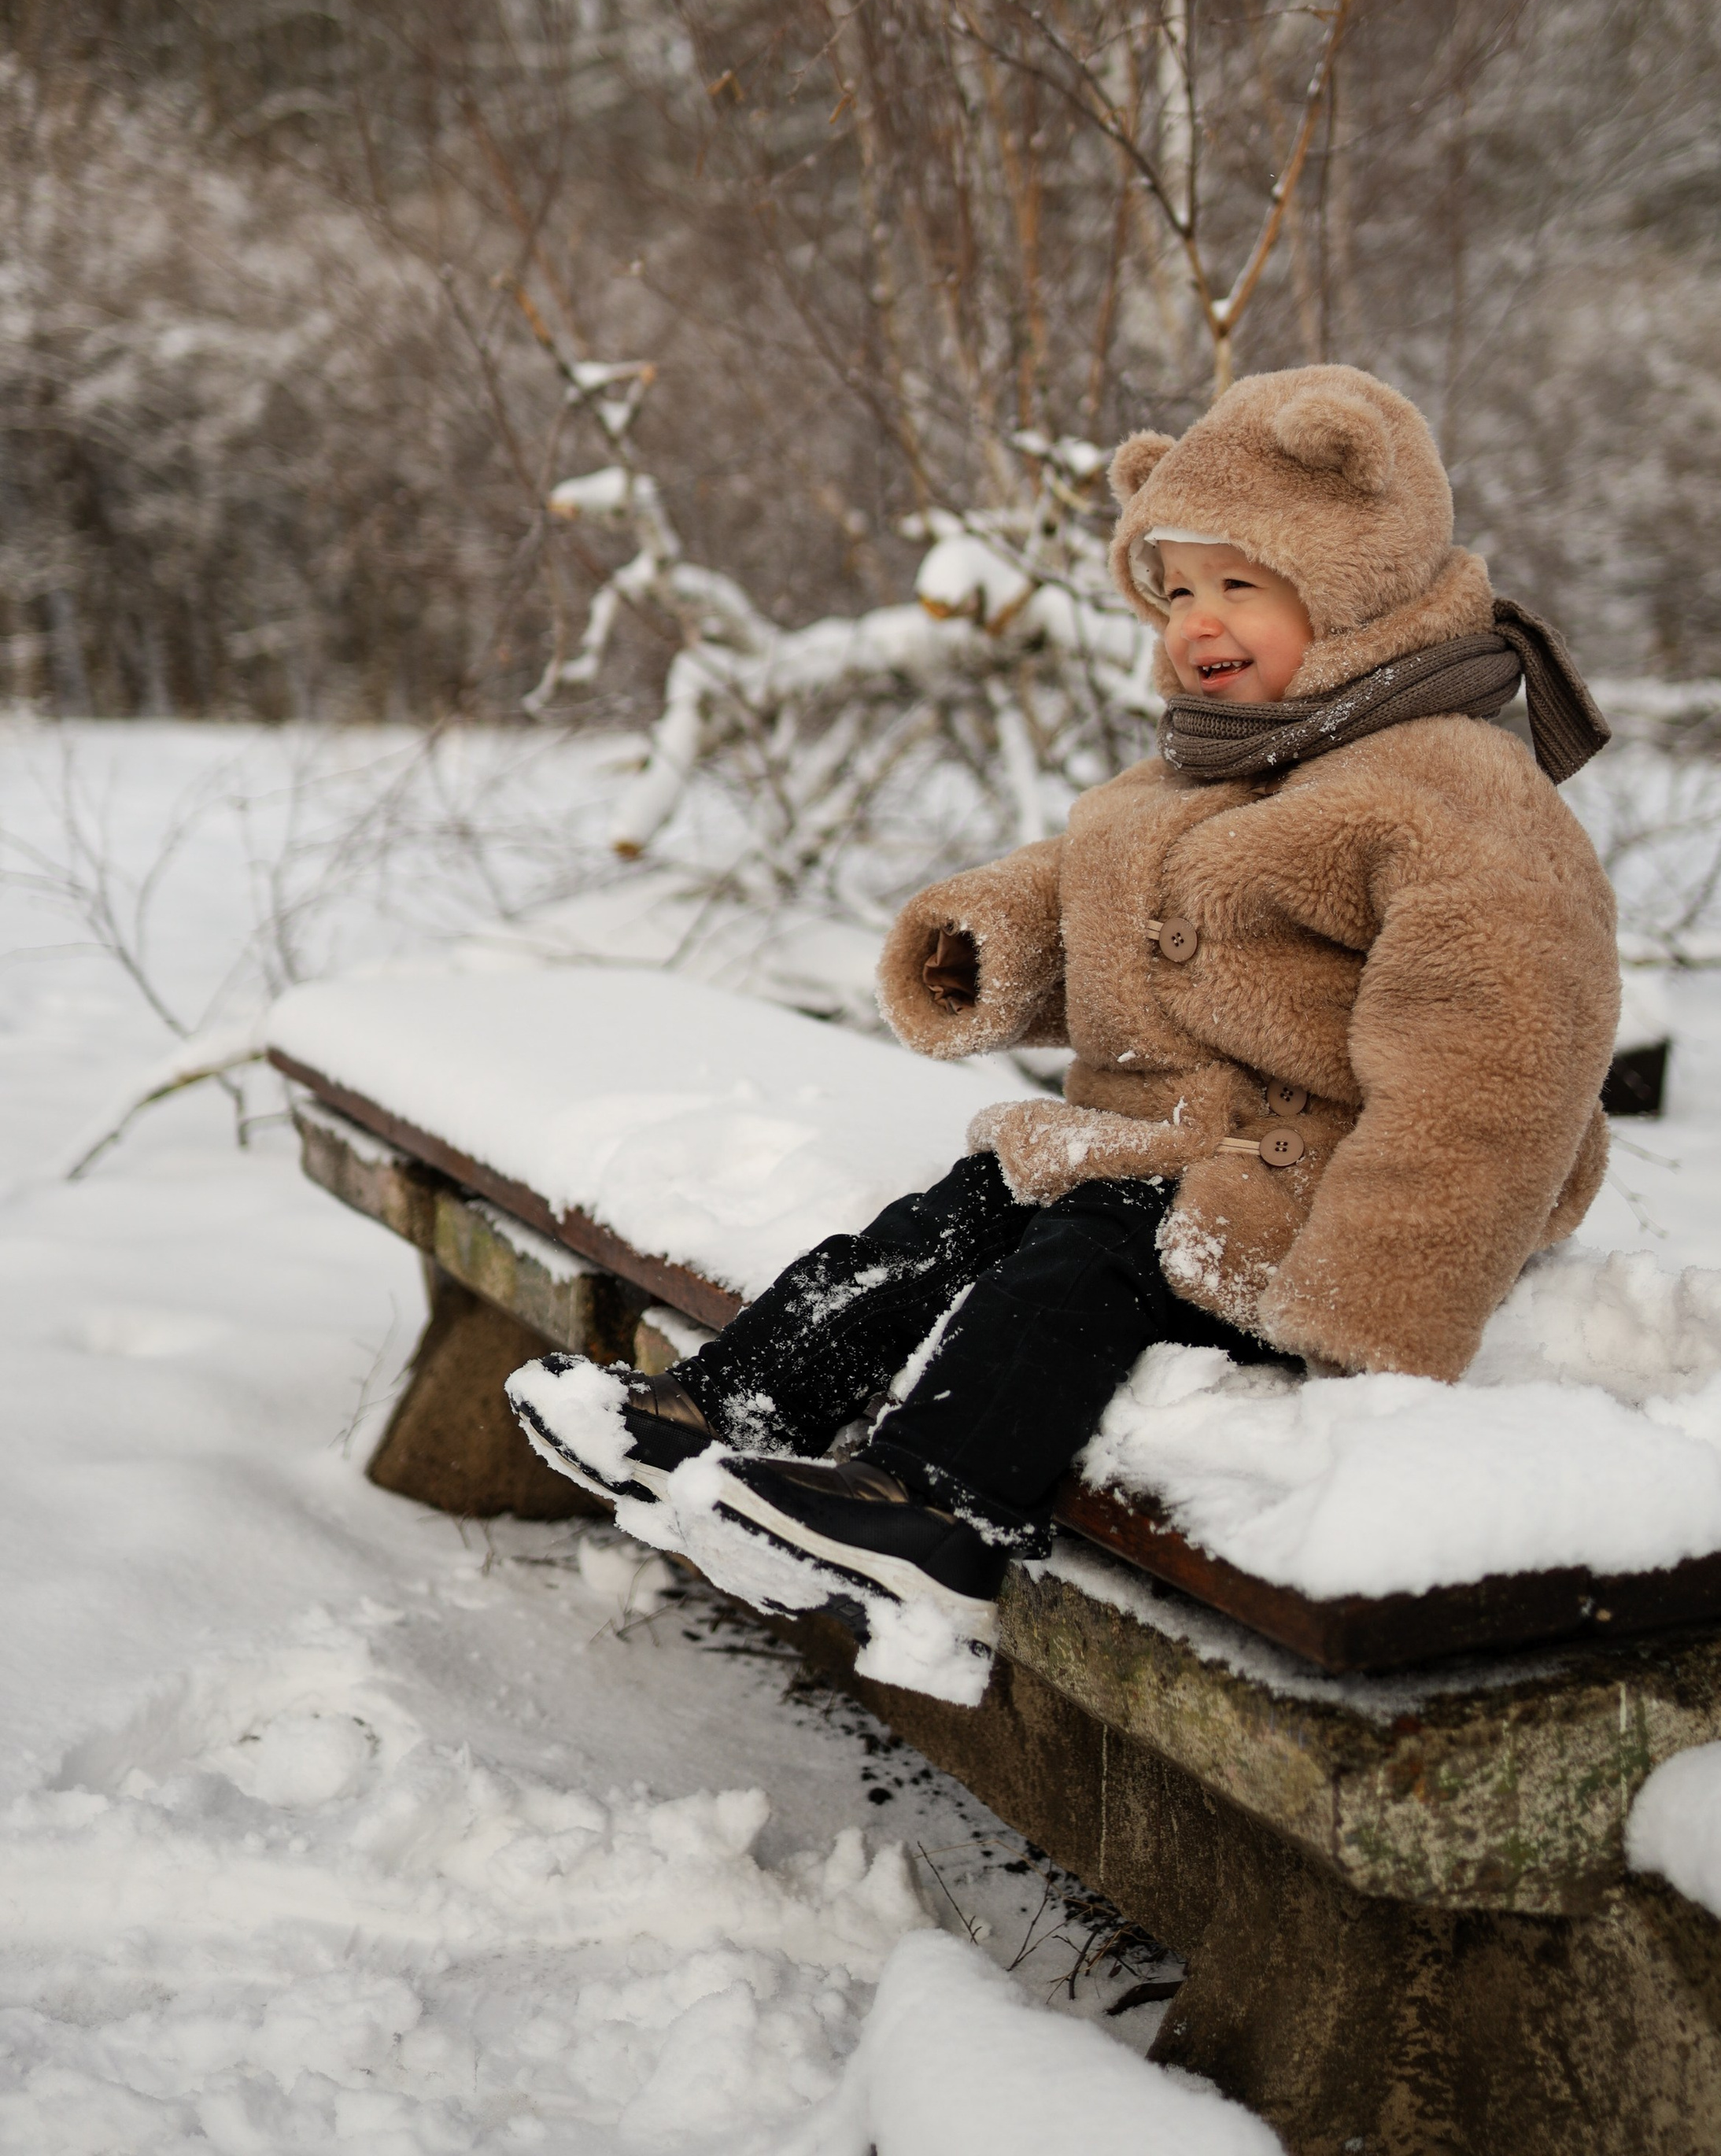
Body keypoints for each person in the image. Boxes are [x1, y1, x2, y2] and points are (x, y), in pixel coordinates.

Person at [509, 364, 1621, 1643]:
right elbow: (1109, 880)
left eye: (1239, 585)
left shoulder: (1456, 794)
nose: (1198, 621)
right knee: (958, 1212)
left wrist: (1380, 1298)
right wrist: (995, 942)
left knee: (1092, 1252)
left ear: (1352, 564)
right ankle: (730, 1411)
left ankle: (940, 1513)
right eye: (1177, 589)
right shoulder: (1228, 761)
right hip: (1183, 1143)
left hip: (1333, 1189)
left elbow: (1499, 1065)